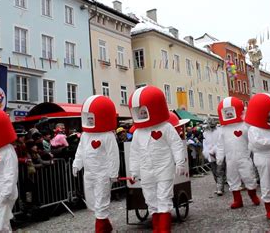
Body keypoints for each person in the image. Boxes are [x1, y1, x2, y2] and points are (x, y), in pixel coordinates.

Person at [128, 86, 187, 232]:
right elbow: (134, 153)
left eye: (144, 111)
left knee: (164, 197)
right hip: (146, 170)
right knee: (150, 198)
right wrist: (133, 171)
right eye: (139, 111)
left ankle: (164, 229)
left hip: (164, 168)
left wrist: (179, 161)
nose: (141, 114)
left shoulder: (166, 127)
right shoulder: (137, 133)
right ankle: (156, 228)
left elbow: (176, 145)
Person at [72, 95, 120, 233]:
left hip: (103, 174)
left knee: (101, 203)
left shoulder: (108, 135)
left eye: (92, 117)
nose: (89, 120)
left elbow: (113, 155)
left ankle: (100, 230)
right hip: (89, 173)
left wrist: (113, 173)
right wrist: (77, 163)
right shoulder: (86, 135)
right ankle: (107, 226)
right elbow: (81, 150)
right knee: (93, 203)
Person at [216, 97, 260, 209]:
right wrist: (220, 157)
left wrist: (256, 149)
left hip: (244, 157)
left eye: (231, 112)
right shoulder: (223, 129)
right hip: (230, 159)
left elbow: (252, 139)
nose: (229, 115)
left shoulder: (245, 126)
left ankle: (253, 195)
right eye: (227, 113)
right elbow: (220, 144)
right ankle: (237, 200)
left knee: (249, 176)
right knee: (232, 178)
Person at [203, 117, 227, 196]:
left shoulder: (220, 131)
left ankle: (220, 188)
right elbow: (205, 143)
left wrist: (214, 150)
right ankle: (218, 186)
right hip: (210, 155)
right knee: (214, 171)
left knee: (219, 170)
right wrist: (208, 151)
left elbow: (221, 142)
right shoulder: (205, 133)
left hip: (219, 153)